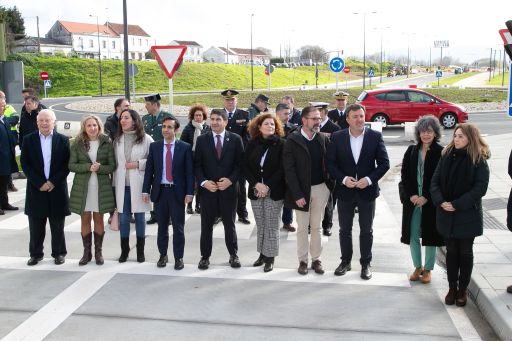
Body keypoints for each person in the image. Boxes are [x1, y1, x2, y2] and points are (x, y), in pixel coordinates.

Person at [327, 104, 390, 280]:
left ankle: (365, 264)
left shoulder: (375, 137)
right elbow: (331, 164)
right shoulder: (337, 137)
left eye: (361, 116)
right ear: (347, 119)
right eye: (355, 116)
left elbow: (384, 163)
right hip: (345, 191)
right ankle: (345, 261)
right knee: (344, 229)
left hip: (367, 192)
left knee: (366, 230)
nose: (359, 119)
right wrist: (344, 179)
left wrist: (369, 180)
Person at [430, 123, 490, 307]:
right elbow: (435, 182)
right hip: (446, 213)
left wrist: (456, 204)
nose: (456, 139)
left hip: (466, 215)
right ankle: (452, 288)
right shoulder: (446, 155)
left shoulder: (478, 159)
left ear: (470, 139)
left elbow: (479, 189)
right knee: (451, 253)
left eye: (461, 136)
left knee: (465, 252)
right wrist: (441, 201)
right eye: (455, 136)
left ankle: (462, 290)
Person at [283, 106, 333, 275]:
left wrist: (329, 186)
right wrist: (297, 194)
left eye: (319, 118)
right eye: (314, 119)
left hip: (321, 189)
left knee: (317, 227)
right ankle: (303, 261)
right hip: (301, 192)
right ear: (304, 120)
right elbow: (288, 170)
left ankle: (316, 259)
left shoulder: (323, 139)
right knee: (303, 228)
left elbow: (330, 164)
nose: (318, 122)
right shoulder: (293, 140)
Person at [194, 109, 244, 270]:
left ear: (225, 122)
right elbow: (197, 165)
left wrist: (230, 180)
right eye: (212, 119)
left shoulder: (236, 139)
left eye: (218, 119)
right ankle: (205, 257)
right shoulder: (202, 140)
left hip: (228, 191)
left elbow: (240, 165)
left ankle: (233, 255)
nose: (214, 122)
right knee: (206, 226)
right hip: (208, 191)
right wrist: (203, 182)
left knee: (230, 225)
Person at [143, 117, 194, 270]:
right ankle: (163, 255)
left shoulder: (184, 147)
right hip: (160, 192)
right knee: (162, 227)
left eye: (170, 127)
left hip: (177, 193)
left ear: (176, 130)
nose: (166, 130)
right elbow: (149, 171)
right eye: (164, 127)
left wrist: (190, 193)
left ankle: (179, 257)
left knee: (178, 227)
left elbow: (189, 173)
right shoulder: (155, 147)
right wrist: (145, 189)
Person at [20, 109, 70, 266]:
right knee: (36, 226)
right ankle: (35, 254)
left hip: (56, 188)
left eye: (47, 120)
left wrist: (52, 182)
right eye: (41, 120)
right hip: (36, 189)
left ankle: (59, 253)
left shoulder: (63, 140)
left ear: (54, 122)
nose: (44, 123)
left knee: (57, 226)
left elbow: (66, 164)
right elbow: (25, 164)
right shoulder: (28, 140)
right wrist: (39, 182)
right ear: (37, 122)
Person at [400, 116, 444, 283]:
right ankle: (417, 266)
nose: (426, 134)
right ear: (418, 133)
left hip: (430, 202)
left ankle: (428, 269)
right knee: (412, 234)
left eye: (429, 131)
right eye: (423, 131)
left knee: (430, 235)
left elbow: (441, 180)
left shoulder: (441, 152)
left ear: (435, 133)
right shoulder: (411, 151)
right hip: (412, 201)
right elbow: (404, 176)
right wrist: (411, 195)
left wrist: (427, 196)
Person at [68, 115, 116, 266]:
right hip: (83, 187)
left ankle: (98, 253)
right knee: (85, 218)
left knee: (99, 219)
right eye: (89, 125)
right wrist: (88, 167)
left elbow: (112, 166)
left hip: (101, 187)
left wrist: (100, 168)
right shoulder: (77, 143)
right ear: (84, 127)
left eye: (94, 125)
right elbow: (72, 165)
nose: (92, 128)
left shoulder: (106, 142)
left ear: (99, 126)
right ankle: (86, 253)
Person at [244, 113, 286, 272]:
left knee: (272, 225)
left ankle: (270, 258)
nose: (270, 126)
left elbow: (283, 169)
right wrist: (256, 184)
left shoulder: (282, 144)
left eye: (273, 124)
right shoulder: (252, 143)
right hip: (256, 191)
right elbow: (245, 166)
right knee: (261, 224)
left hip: (274, 191)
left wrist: (267, 186)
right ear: (259, 127)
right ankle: (262, 254)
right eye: (267, 124)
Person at [113, 109, 154, 263]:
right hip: (122, 184)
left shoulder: (146, 139)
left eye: (126, 118)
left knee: (140, 217)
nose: (122, 120)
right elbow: (116, 164)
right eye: (121, 118)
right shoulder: (117, 140)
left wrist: (137, 163)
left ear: (134, 120)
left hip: (139, 183)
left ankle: (140, 252)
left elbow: (152, 161)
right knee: (123, 218)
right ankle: (124, 251)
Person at [142, 93, 175, 225]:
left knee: (167, 187)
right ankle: (154, 214)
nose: (145, 106)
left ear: (155, 105)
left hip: (165, 155)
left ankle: (170, 215)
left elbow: (172, 135)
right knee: (154, 184)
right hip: (150, 156)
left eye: (148, 104)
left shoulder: (167, 118)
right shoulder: (145, 118)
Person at [222, 89, 250, 225]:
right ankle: (219, 213)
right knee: (221, 184)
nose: (230, 102)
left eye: (232, 99)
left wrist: (239, 149)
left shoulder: (244, 114)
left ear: (236, 100)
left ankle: (242, 213)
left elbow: (247, 137)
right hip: (221, 157)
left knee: (241, 187)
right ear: (224, 101)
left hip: (238, 157)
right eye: (227, 100)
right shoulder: (219, 115)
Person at [314, 102, 340, 237]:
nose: (316, 117)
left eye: (318, 113)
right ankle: (310, 225)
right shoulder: (310, 127)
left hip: (329, 169)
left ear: (324, 113)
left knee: (330, 200)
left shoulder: (334, 128)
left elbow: (338, 149)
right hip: (314, 169)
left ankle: (327, 225)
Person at [179, 104, 211, 215]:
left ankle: (198, 205)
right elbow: (182, 144)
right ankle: (189, 205)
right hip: (190, 158)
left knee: (201, 182)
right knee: (191, 182)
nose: (198, 117)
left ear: (204, 116)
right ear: (193, 116)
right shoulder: (188, 128)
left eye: (200, 115)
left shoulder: (207, 128)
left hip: (203, 159)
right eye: (196, 115)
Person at [275, 103, 297, 232]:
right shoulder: (270, 127)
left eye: (289, 113)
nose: (288, 116)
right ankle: (272, 220)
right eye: (285, 113)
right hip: (274, 168)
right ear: (277, 113)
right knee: (274, 197)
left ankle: (287, 221)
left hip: (289, 168)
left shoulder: (293, 128)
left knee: (289, 196)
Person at [0, 98, 19, 215]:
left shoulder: (4, 120)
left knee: (4, 182)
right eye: (2, 106)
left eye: (4, 105)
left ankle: (4, 203)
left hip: (7, 156)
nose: (4, 108)